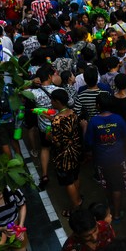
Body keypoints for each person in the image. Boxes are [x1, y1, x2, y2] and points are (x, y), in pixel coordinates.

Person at [85, 92, 126, 222]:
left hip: (101, 160)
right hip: (118, 158)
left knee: (106, 184)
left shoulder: (94, 121)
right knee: (117, 186)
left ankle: (109, 204)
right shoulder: (118, 119)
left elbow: (88, 142)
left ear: (98, 105)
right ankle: (116, 215)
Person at [49, 88, 83, 217]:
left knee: (68, 181)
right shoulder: (72, 112)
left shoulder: (57, 120)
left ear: (57, 101)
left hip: (64, 155)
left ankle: (76, 206)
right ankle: (78, 198)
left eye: (52, 100)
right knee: (75, 176)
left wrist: (49, 135)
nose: (51, 102)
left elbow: (57, 142)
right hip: (75, 150)